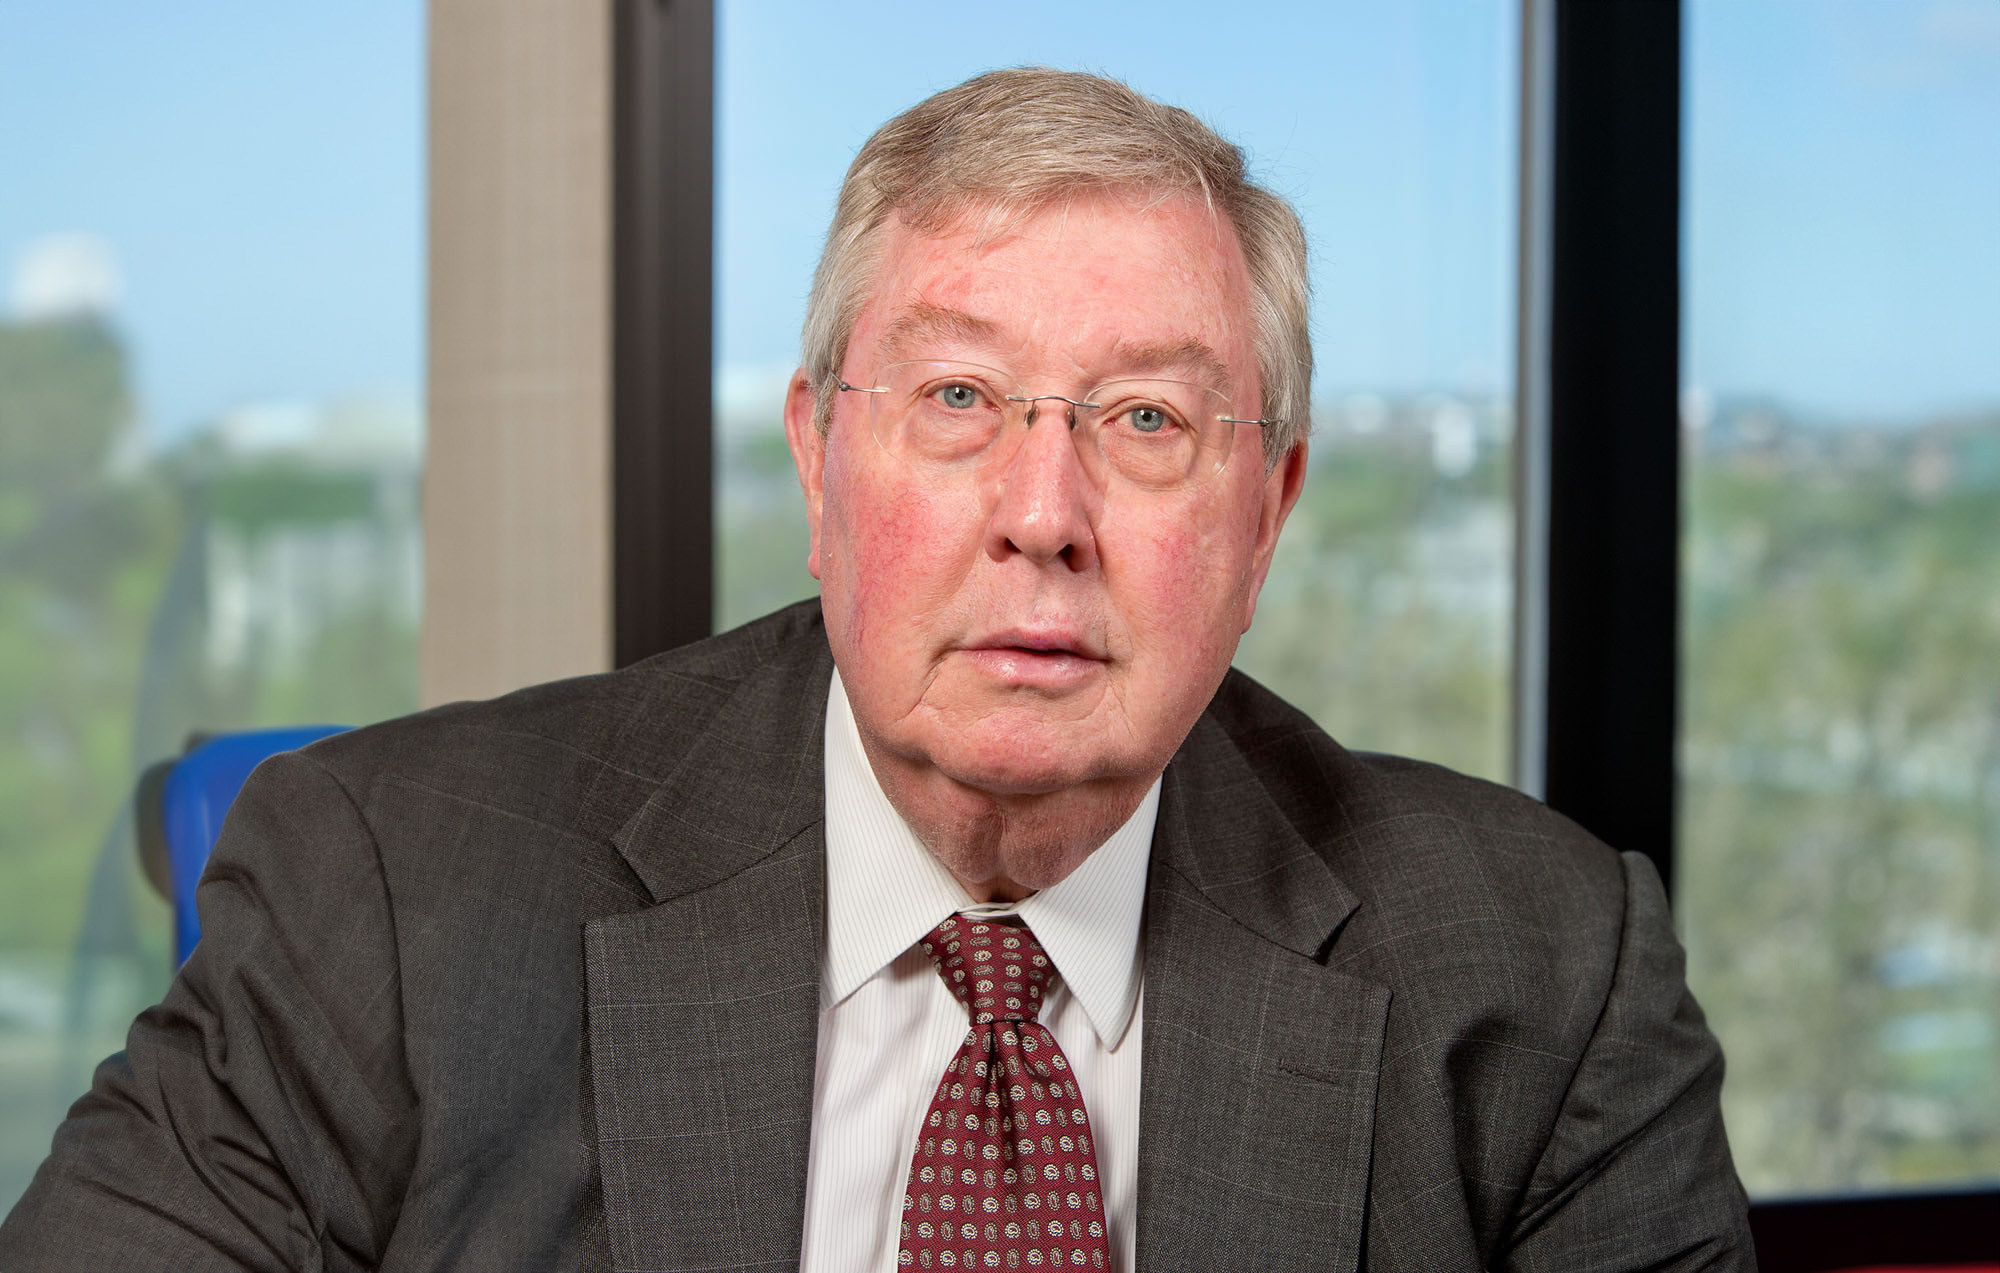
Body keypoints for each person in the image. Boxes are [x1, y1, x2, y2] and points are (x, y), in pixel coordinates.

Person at [0, 69, 1753, 1271]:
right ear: (818, 460)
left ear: (1267, 503)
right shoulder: (388, 896)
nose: (1042, 514)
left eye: (1147, 420)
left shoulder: (1542, 971)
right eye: (959, 401)